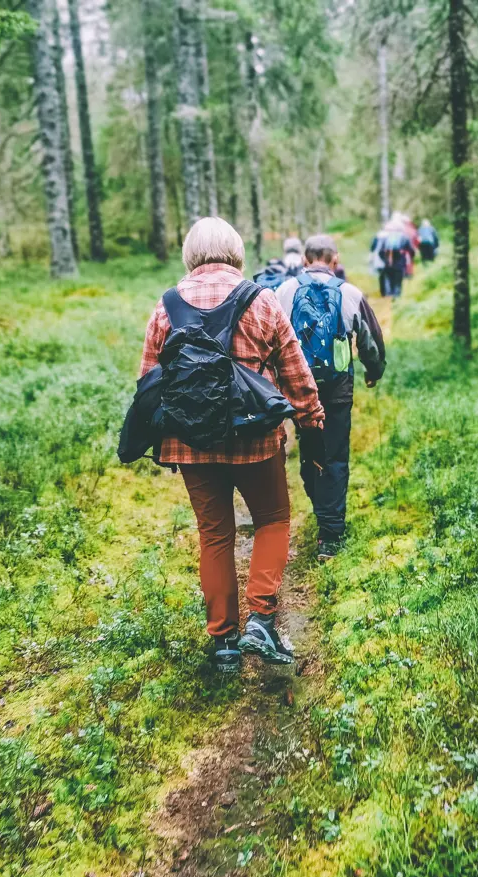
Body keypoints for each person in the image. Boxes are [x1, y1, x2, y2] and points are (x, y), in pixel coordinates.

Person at [139, 217, 325, 673]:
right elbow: (296, 371)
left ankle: (223, 642)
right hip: (255, 438)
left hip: (191, 445)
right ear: (236, 251)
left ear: (190, 253)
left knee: (215, 535)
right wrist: (310, 418)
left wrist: (162, 438)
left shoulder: (165, 307)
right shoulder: (261, 301)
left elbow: (149, 382)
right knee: (274, 519)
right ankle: (260, 618)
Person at [276, 234, 387, 560]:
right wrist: (374, 370)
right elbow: (370, 339)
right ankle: (331, 536)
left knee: (310, 449)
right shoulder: (349, 292)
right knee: (336, 455)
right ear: (334, 259)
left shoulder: (285, 291)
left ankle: (319, 504)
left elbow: (273, 335)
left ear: (307, 259)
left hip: (299, 388)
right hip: (337, 389)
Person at [371, 225, 411, 298]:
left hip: (388, 264)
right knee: (398, 282)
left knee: (391, 279)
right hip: (400, 263)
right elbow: (411, 250)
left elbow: (380, 251)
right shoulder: (404, 238)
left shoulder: (386, 238)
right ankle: (396, 297)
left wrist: (385, 260)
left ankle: (391, 295)